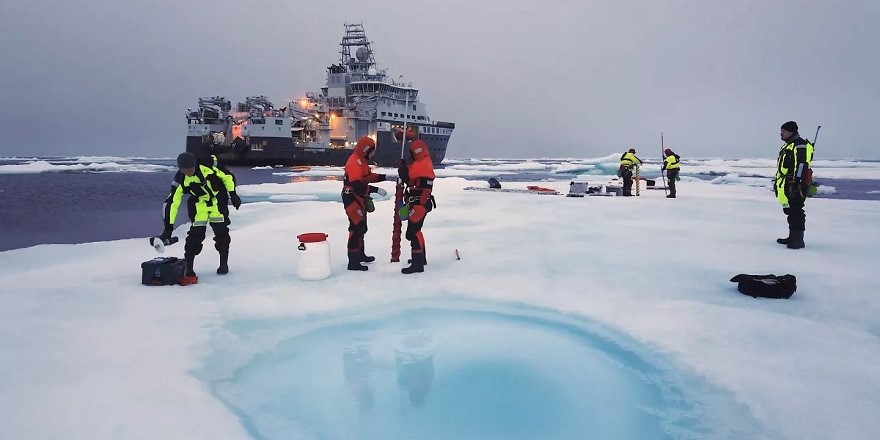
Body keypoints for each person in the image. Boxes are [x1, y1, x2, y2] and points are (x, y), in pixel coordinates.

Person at [158, 152, 241, 285]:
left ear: (194, 165)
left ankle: (223, 264)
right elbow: (172, 203)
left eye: (189, 169)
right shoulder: (180, 180)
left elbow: (227, 177)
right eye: (184, 170)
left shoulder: (209, 167)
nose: (187, 172)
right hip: (199, 204)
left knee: (222, 235)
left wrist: (233, 194)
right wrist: (168, 228)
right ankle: (189, 268)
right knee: (194, 237)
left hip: (217, 201)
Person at [343, 137, 387, 271]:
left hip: (359, 198)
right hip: (352, 198)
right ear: (366, 150)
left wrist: (383, 177)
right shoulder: (354, 163)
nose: (373, 154)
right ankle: (353, 262)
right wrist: (376, 190)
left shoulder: (361, 161)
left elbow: (368, 176)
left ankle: (360, 255)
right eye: (372, 151)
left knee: (362, 228)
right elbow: (357, 185)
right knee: (356, 229)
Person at [397, 139, 435, 274]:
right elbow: (412, 176)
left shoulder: (422, 165)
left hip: (419, 204)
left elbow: (408, 175)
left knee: (412, 232)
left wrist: (402, 169)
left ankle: (417, 265)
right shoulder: (424, 162)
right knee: (417, 230)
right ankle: (420, 259)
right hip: (421, 203)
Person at [775, 121, 814, 249]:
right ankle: (792, 236)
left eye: (783, 131)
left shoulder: (799, 145)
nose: (781, 133)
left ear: (791, 131)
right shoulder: (788, 145)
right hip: (788, 182)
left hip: (796, 184)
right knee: (791, 211)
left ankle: (798, 240)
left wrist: (796, 182)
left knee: (797, 211)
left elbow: (802, 164)